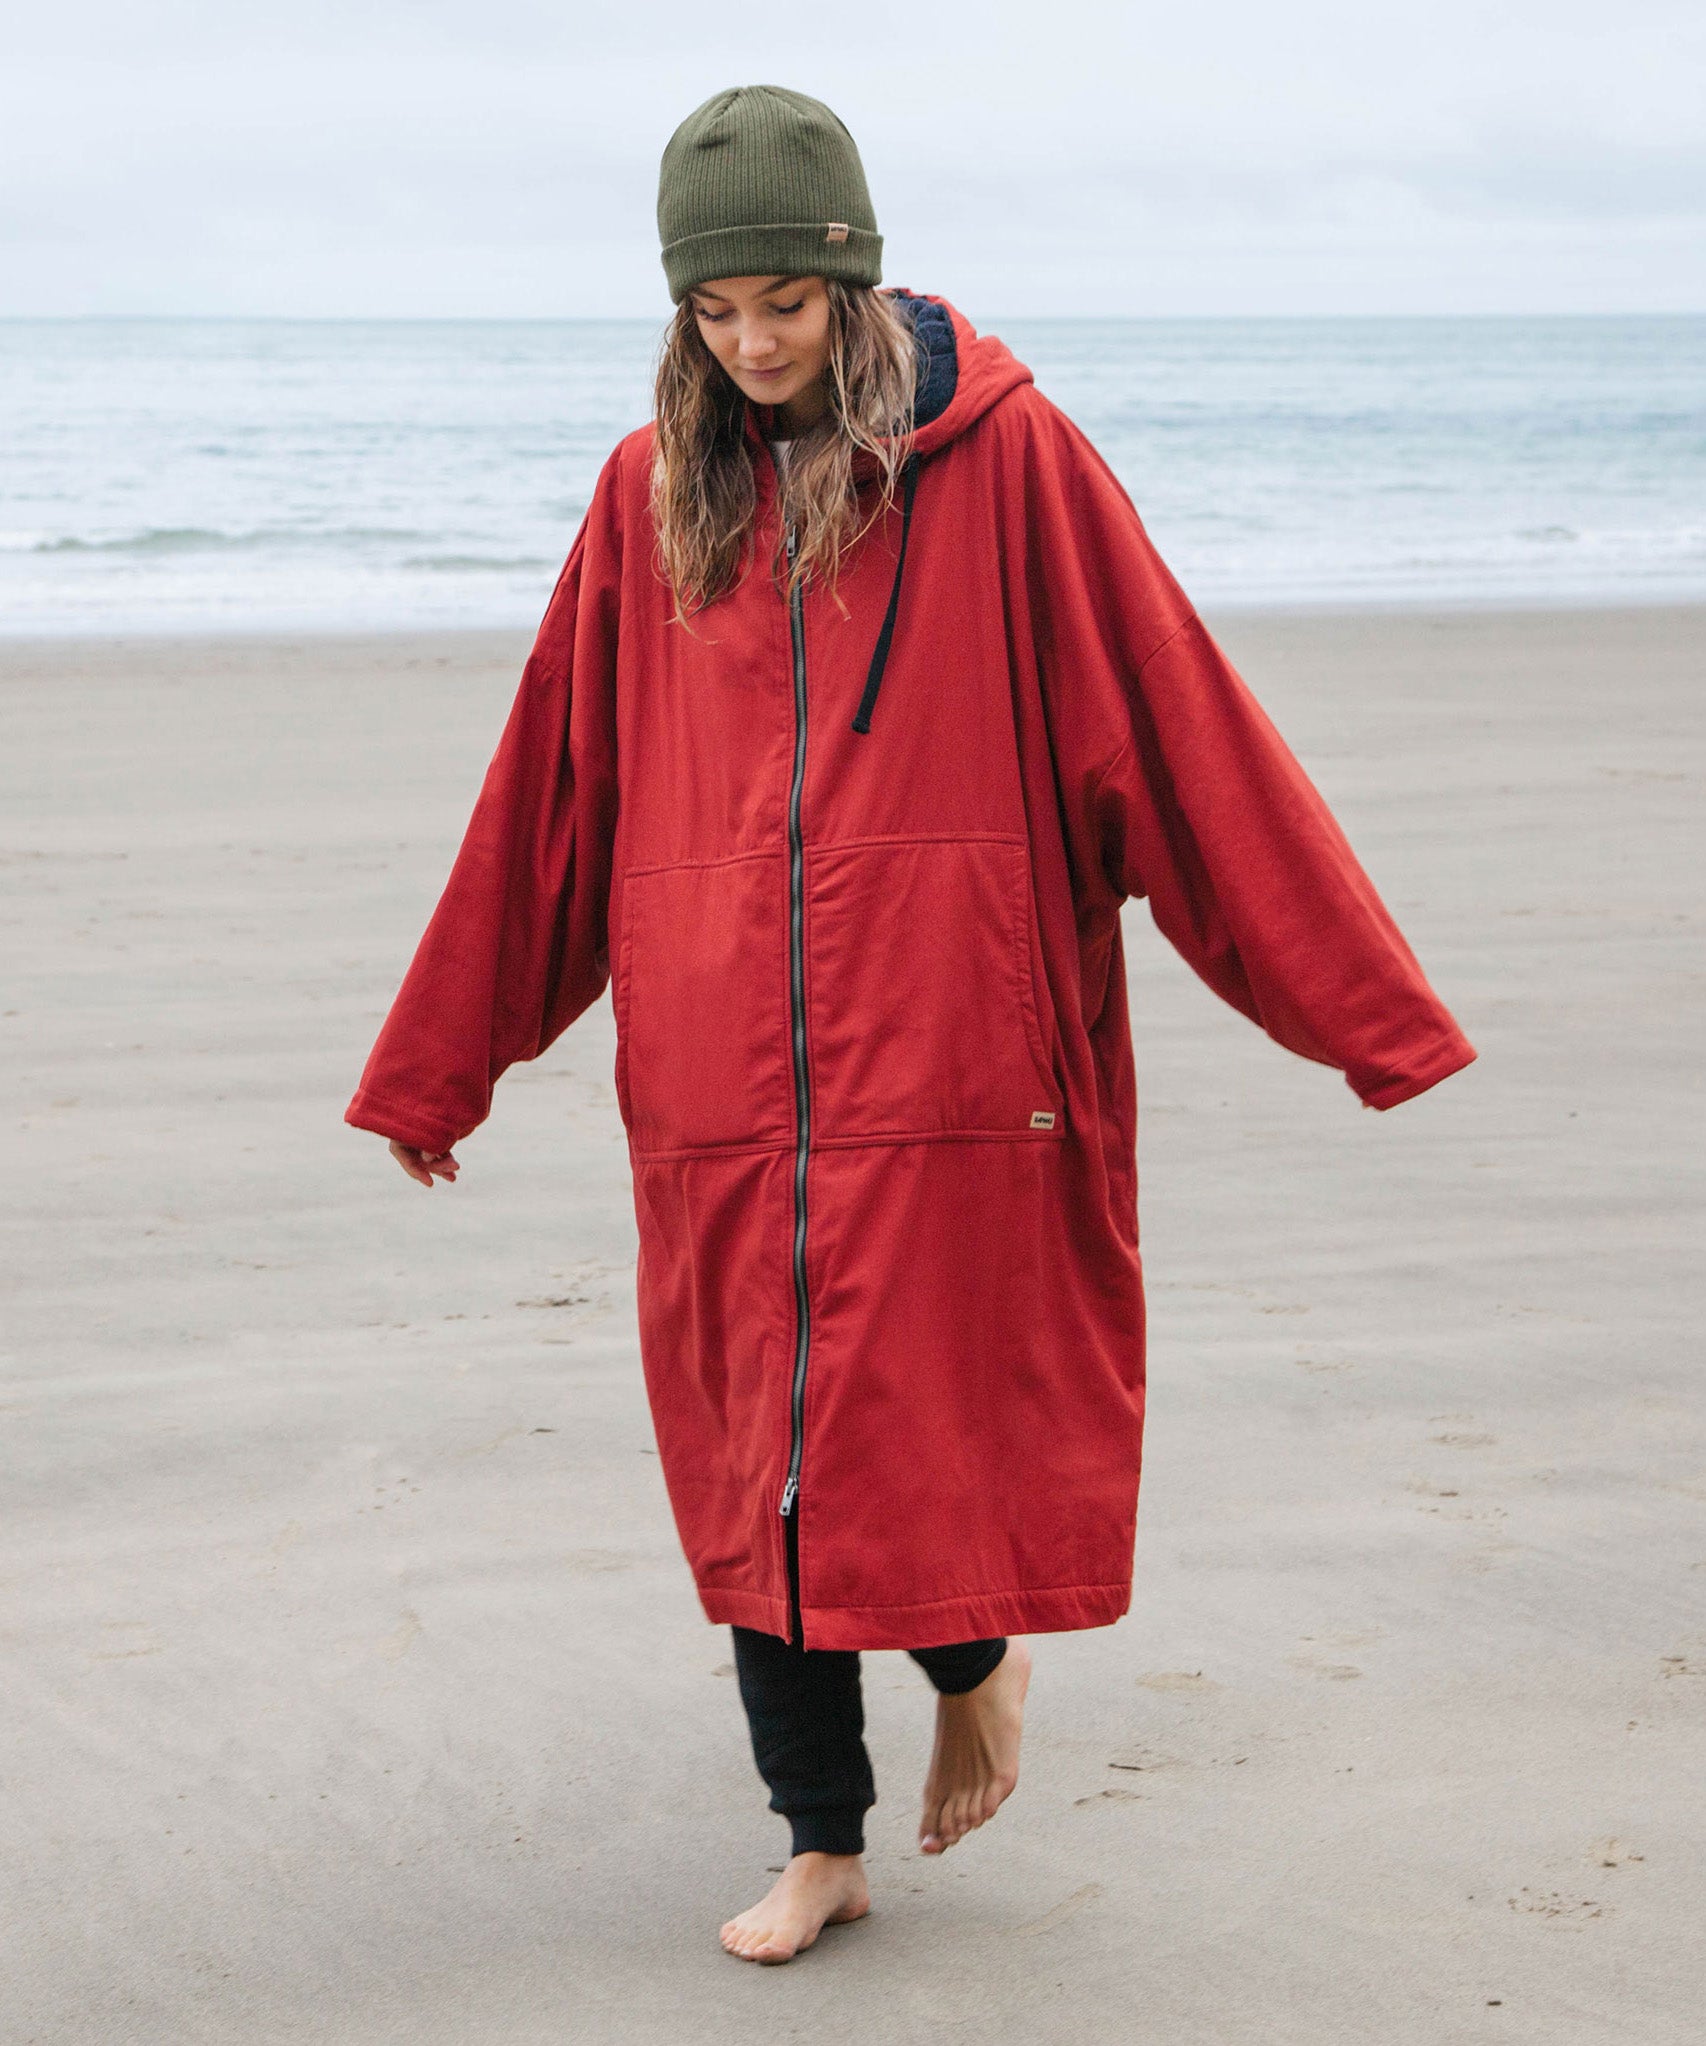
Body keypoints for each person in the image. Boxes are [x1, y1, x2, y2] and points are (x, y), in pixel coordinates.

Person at [346, 84, 1476, 1965]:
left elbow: (1174, 726)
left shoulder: (1010, 464)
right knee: (757, 1455)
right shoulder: (649, 497)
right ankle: (821, 1842)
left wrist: (1365, 1012)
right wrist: (437, 1065)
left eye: (785, 300)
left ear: (854, 282)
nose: (752, 341)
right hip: (716, 1074)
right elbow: (554, 784)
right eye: (715, 309)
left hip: (955, 1049)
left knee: (915, 1427)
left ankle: (972, 1660)